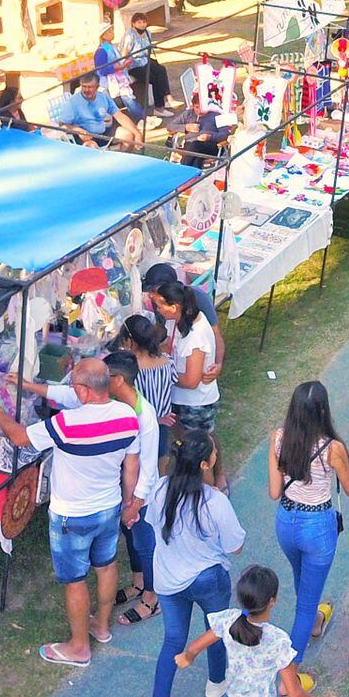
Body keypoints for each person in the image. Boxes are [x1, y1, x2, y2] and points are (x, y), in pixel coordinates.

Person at [0, 359, 143, 668]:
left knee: (75, 580)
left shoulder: (67, 423)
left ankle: (79, 647)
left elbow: (19, 437)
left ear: (83, 390)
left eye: (73, 387)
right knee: (107, 566)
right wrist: (128, 502)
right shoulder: (127, 416)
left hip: (71, 515)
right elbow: (131, 465)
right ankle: (102, 626)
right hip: (108, 506)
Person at [174, 566, 338, 697]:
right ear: (272, 601)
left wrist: (187, 656)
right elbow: (294, 694)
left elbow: (197, 646)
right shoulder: (277, 641)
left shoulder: (228, 619)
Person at [143, 431, 245, 697]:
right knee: (215, 629)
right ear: (205, 464)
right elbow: (237, 546)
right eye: (214, 452)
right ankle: (216, 682)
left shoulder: (160, 490)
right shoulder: (215, 502)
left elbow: (152, 524)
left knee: (172, 642)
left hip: (169, 582)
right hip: (207, 579)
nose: (217, 455)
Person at [266, 383, 349, 688]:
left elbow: (274, 492)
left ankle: (313, 623)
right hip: (317, 527)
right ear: (322, 411)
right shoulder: (332, 448)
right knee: (306, 603)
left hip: (286, 521)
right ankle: (289, 680)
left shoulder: (278, 438)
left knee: (302, 579)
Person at [114, 315, 178, 626]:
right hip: (158, 434)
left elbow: (146, 467)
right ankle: (139, 580)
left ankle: (152, 596)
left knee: (142, 528)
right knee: (135, 526)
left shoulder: (131, 379)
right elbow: (170, 394)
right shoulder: (165, 361)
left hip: (142, 449)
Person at [152, 280, 221, 436]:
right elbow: (169, 347)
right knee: (181, 437)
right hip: (180, 398)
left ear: (174, 307)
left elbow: (191, 381)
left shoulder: (196, 337)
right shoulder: (175, 320)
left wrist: (164, 374)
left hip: (196, 404)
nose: (157, 310)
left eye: (160, 306)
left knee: (199, 446)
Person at [144, 263, 227, 377]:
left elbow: (215, 334)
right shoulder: (159, 301)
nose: (150, 295)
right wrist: (148, 349)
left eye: (153, 290)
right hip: (179, 357)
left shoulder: (199, 298)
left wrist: (218, 364)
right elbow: (162, 327)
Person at [57, 71, 141, 149]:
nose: (86, 90)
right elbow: (62, 124)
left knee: (128, 136)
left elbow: (120, 116)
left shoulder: (103, 97)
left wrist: (137, 134)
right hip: (84, 136)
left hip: (102, 131)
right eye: (84, 87)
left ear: (97, 87)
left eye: (90, 87)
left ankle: (122, 162)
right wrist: (78, 130)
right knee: (92, 146)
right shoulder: (73, 102)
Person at [125, 11, 174, 117]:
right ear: (133, 24)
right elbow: (125, 53)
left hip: (146, 60)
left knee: (161, 70)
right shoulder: (130, 35)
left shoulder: (147, 33)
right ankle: (159, 107)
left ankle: (168, 98)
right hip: (134, 64)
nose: (142, 25)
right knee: (153, 78)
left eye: (144, 22)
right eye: (139, 22)